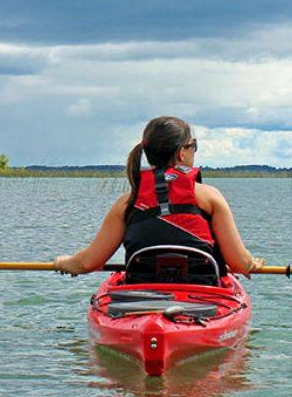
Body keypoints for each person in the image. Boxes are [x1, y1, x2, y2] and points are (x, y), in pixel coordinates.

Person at [53, 116, 265, 278]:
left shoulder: (127, 202)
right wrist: (252, 263)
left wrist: (64, 262)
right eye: (194, 146)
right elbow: (239, 264)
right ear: (182, 152)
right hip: (202, 296)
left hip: (142, 295)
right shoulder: (210, 197)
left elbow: (87, 263)